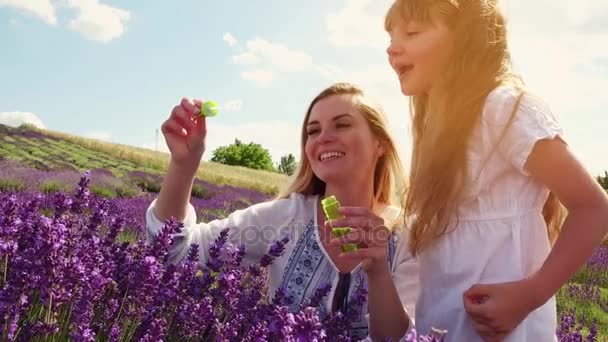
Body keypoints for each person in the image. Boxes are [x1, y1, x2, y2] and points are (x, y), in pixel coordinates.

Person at [381, 0, 608, 341]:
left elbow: (593, 207)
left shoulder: (501, 108)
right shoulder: (436, 129)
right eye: (391, 35)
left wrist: (531, 294)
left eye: (412, 32)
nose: (393, 47)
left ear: (465, 37)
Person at [145, 82, 419, 340]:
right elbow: (173, 252)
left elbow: (405, 338)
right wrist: (184, 165)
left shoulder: (410, 234)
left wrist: (379, 273)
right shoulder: (283, 219)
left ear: (380, 143)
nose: (323, 138)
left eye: (342, 125)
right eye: (313, 131)